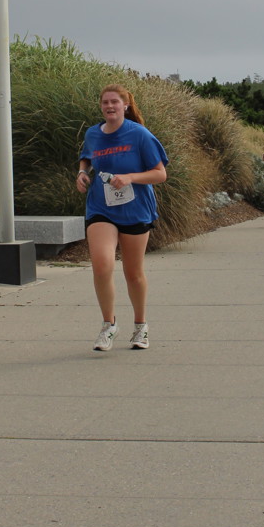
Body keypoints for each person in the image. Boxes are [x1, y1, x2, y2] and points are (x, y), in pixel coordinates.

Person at [76, 84, 168, 353]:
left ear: (125, 105)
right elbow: (86, 159)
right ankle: (109, 325)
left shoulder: (139, 134)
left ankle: (140, 326)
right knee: (101, 265)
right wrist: (82, 173)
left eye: (114, 102)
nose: (110, 106)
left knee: (133, 272)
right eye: (105, 102)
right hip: (101, 207)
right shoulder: (93, 133)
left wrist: (130, 178)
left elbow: (160, 174)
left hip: (135, 209)